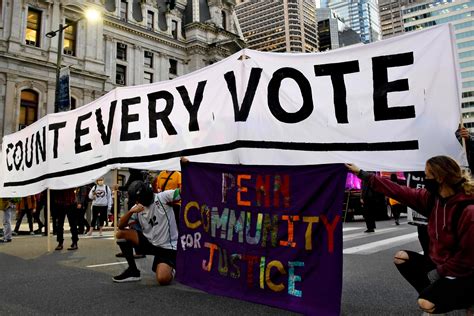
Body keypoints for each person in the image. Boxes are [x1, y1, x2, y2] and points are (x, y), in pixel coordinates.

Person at [346, 156, 474, 314]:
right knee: (401, 257)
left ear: (440, 178)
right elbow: (398, 191)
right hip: (440, 264)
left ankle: (467, 301)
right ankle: (434, 293)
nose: (425, 179)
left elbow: (467, 259)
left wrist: (438, 274)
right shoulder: (432, 199)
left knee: (426, 303)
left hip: (464, 273)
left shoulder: (468, 210)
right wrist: (361, 173)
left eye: (427, 175)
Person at [112, 180, 179, 284]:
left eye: (139, 199)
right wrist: (130, 212)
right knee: (120, 234)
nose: (137, 202)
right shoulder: (137, 208)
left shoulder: (163, 197)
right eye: (136, 200)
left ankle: (175, 266)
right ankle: (133, 271)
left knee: (162, 279)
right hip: (150, 243)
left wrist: (186, 167)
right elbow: (120, 225)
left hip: (167, 247)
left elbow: (184, 191)